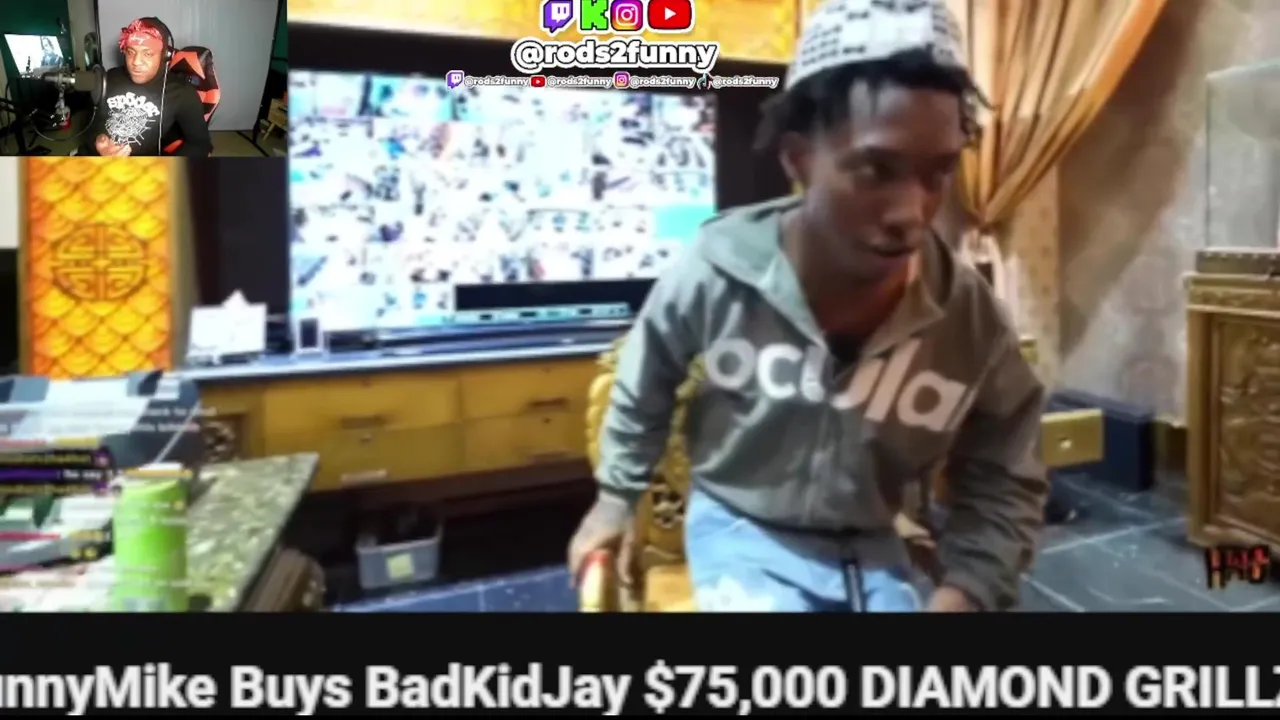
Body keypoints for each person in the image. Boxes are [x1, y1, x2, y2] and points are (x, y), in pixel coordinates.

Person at [567, 0, 1048, 613]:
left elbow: (1007, 467)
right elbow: (644, 384)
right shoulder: (715, 268)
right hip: (739, 524)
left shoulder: (967, 313)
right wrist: (613, 500)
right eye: (875, 170)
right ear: (798, 160)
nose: (912, 214)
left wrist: (969, 590)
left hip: (875, 538)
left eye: (939, 172)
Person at [82, 17, 212, 157]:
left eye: (148, 54)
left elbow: (200, 145)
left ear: (164, 56)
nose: (136, 62)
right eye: (131, 52)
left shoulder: (182, 93)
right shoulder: (109, 78)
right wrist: (98, 142)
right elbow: (89, 123)